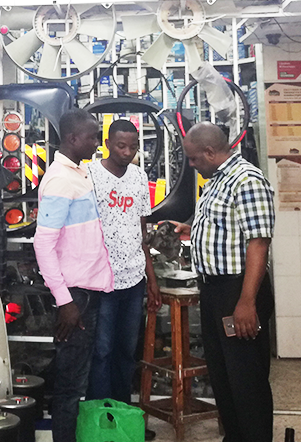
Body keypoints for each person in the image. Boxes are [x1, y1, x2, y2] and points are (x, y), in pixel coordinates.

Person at [171, 122, 276, 442]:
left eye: (193, 159)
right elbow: (228, 231)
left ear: (210, 152)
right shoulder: (216, 180)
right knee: (224, 379)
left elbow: (259, 242)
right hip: (215, 291)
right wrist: (192, 232)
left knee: (246, 382)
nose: (191, 165)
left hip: (238, 291)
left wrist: (246, 302)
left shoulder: (246, 180)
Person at [33, 109, 114, 442]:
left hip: (88, 291)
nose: (97, 144)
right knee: (69, 387)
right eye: (93, 137)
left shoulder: (78, 173)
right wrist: (65, 301)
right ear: (72, 138)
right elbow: (43, 245)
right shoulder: (59, 180)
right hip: (75, 296)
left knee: (77, 380)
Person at [86, 119, 162, 407]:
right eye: (121, 145)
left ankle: (122, 414)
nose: (127, 152)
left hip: (133, 279)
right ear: (107, 144)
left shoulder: (139, 177)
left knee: (127, 351)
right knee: (102, 350)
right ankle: (100, 418)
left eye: (133, 146)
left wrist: (151, 280)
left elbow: (141, 233)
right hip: (101, 279)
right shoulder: (90, 175)